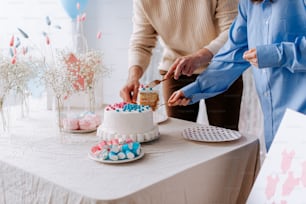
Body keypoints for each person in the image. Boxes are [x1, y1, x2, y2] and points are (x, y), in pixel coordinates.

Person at [166, 0, 306, 151]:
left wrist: (278, 54)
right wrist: (195, 89)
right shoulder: (249, 5)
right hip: (276, 125)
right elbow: (232, 55)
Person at [120, 0, 242, 130]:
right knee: (178, 136)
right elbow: (141, 42)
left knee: (225, 134)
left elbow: (233, 32)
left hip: (223, 69)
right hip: (175, 71)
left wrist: (199, 56)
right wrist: (133, 77)